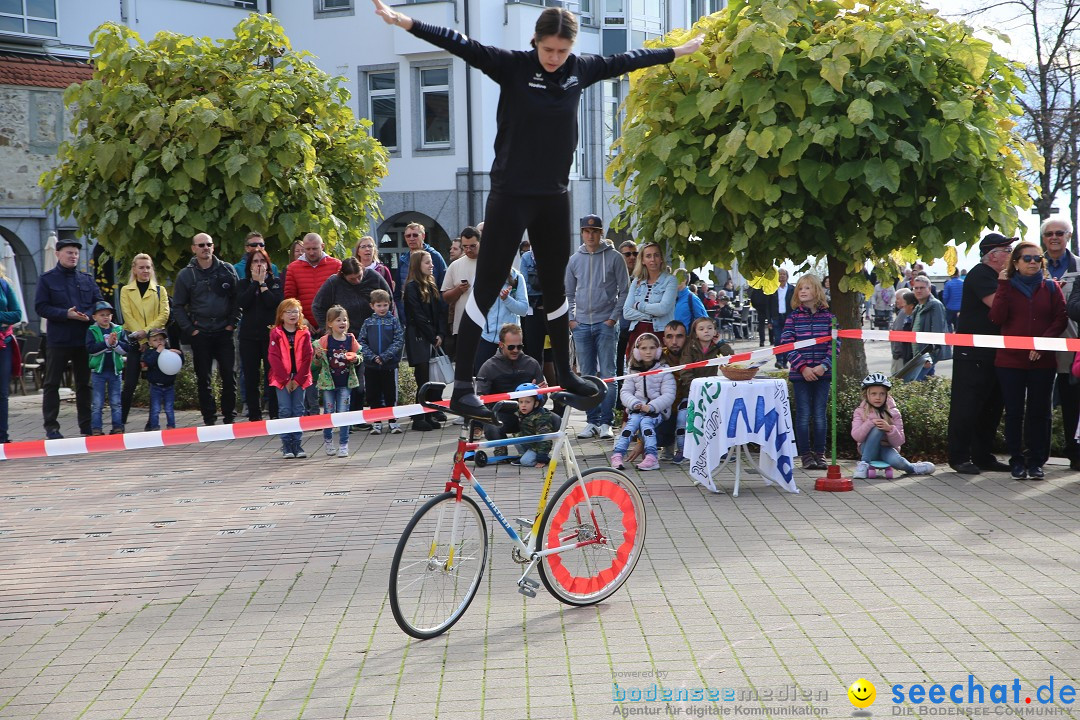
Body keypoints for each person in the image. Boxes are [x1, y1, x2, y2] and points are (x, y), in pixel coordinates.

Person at [372, 0, 703, 420]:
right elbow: (461, 43)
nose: (554, 59)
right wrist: (405, 21)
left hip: (553, 195)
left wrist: (679, 50)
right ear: (536, 42)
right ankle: (462, 389)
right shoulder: (512, 66)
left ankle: (565, 374)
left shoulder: (579, 70)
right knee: (487, 285)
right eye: (548, 50)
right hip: (510, 194)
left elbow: (627, 60)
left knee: (554, 285)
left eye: (562, 52)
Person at [990, 242, 1068, 480]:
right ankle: (1016, 461)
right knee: (1014, 412)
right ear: (1016, 263)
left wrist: (1042, 345)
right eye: (1027, 259)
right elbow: (996, 318)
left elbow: (1060, 319)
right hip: (1010, 361)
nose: (1033, 262)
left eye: (1037, 258)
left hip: (1042, 362)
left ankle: (1036, 461)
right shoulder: (1006, 287)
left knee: (1040, 411)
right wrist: (1003, 285)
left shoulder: (1052, 287)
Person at [947, 233, 1015, 475]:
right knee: (967, 405)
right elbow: (998, 305)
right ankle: (959, 456)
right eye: (1007, 250)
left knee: (992, 406)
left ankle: (983, 455)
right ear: (993, 255)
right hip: (973, 354)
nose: (1011, 254)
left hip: (996, 351)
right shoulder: (980, 274)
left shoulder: (1000, 276)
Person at [565, 214, 628, 440]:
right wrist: (572, 320)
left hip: (606, 324)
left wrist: (612, 318)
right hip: (581, 325)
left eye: (594, 231)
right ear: (581, 233)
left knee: (608, 375)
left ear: (601, 233)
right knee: (587, 376)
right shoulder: (574, 259)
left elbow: (625, 290)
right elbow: (568, 293)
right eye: (586, 231)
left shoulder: (615, 257)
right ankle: (591, 422)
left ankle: (606, 422)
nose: (590, 235)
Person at [36, 238, 104, 439]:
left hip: (84, 339)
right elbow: (41, 307)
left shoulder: (86, 279)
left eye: (75, 253)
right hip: (59, 340)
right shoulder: (47, 279)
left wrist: (88, 314)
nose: (73, 256)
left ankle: (86, 426)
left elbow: (98, 302)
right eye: (69, 253)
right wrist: (66, 314)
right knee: (52, 384)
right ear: (58, 254)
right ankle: (52, 427)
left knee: (85, 384)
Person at [172, 233, 240, 426]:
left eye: (209, 244)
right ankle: (209, 419)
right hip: (200, 332)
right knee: (204, 379)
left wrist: (231, 324)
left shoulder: (227, 269)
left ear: (213, 247)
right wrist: (190, 330)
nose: (205, 248)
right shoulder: (186, 275)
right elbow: (177, 306)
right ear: (193, 248)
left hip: (223, 331)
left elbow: (237, 299)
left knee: (229, 375)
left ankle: (230, 417)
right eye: (201, 245)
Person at [780, 274, 835, 470]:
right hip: (800, 375)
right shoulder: (792, 318)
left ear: (817, 291)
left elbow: (835, 345)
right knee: (803, 415)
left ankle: (820, 454)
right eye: (800, 289)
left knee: (820, 414)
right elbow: (787, 344)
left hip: (823, 375)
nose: (802, 291)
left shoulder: (830, 318)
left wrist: (823, 366)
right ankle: (805, 455)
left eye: (807, 288)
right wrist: (802, 367)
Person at [1043, 216, 1080, 470]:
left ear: (1069, 235)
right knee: (1039, 400)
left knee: (1072, 401)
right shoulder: (1031, 263)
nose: (1054, 237)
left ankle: (1074, 453)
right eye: (1049, 234)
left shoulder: (1079, 266)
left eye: (1059, 233)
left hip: (1071, 342)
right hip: (1040, 342)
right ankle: (1037, 455)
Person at [609, 332, 675, 472]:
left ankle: (652, 456)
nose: (648, 352)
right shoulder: (633, 371)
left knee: (646, 424)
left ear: (658, 350)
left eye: (652, 348)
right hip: (637, 409)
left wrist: (651, 406)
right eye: (644, 348)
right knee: (629, 427)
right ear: (637, 351)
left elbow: (669, 394)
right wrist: (634, 403)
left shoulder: (664, 370)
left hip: (656, 412)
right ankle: (617, 454)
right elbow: (625, 392)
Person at [851, 373, 936, 478]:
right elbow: (856, 436)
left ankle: (913, 468)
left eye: (882, 394)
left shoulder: (894, 412)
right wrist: (870, 423)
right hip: (867, 450)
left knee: (898, 462)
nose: (878, 397)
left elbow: (900, 441)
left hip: (887, 448)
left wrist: (890, 429)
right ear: (866, 395)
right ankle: (864, 464)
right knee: (878, 427)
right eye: (874, 394)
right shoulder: (860, 411)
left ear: (887, 395)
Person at [476, 324, 546, 453]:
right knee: (491, 425)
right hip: (502, 415)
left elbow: (544, 395)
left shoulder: (531, 364)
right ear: (501, 345)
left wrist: (539, 394)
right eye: (511, 347)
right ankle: (501, 447)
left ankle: (540, 449)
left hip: (530, 413)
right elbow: (481, 399)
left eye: (519, 346)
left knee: (555, 420)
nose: (515, 350)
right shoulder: (489, 367)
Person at [118, 254, 169, 428]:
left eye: (148, 267)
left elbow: (164, 315)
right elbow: (127, 316)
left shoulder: (160, 290)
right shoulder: (125, 290)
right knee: (130, 384)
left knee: (155, 385)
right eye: (141, 267)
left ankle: (152, 422)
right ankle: (120, 422)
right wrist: (141, 340)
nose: (145, 271)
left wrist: (147, 333)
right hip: (134, 342)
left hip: (156, 343)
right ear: (134, 269)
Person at [673, 317, 733, 464]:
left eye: (709, 328)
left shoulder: (716, 346)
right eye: (701, 329)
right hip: (692, 392)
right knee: (683, 419)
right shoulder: (690, 347)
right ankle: (682, 450)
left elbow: (731, 357)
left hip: (712, 392)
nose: (706, 331)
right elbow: (685, 371)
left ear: (715, 331)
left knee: (717, 419)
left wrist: (720, 343)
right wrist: (694, 389)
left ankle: (721, 450)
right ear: (695, 333)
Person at [236, 246, 284, 421]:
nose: (258, 264)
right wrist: (254, 282)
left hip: (270, 336)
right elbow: (243, 303)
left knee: (272, 375)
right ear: (249, 266)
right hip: (248, 337)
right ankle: (254, 417)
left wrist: (263, 284)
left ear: (268, 264)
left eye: (262, 261)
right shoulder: (242, 283)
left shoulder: (275, 282)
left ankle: (274, 414)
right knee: (250, 376)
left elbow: (274, 303)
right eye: (255, 261)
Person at [403, 250, 449, 430]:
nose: (432, 265)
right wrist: (432, 335)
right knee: (422, 379)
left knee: (431, 379)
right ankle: (419, 417)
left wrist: (440, 333)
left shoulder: (431, 284)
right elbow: (417, 315)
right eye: (427, 262)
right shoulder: (411, 287)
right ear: (417, 265)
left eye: (431, 262)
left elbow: (440, 312)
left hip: (432, 336)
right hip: (418, 337)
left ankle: (429, 413)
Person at [312, 305, 362, 457]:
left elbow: (360, 356)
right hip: (328, 384)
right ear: (329, 323)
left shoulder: (350, 339)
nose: (342, 323)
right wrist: (318, 357)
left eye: (345, 320)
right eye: (338, 320)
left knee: (343, 414)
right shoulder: (324, 341)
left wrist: (355, 358)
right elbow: (315, 364)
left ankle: (344, 444)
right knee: (328, 413)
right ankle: (328, 441)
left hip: (345, 384)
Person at [268, 298, 313, 459]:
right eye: (288, 311)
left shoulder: (305, 332)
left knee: (298, 410)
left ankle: (297, 444)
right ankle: (286, 444)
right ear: (281, 315)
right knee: (285, 410)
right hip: (281, 379)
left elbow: (308, 356)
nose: (292, 314)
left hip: (300, 378)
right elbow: (273, 357)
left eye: (295, 311)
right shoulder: (276, 333)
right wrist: (285, 380)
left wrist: (298, 379)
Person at [312, 257, 392, 337]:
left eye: (359, 276)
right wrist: (327, 330)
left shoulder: (374, 276)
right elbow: (317, 307)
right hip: (346, 336)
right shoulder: (334, 283)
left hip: (375, 333)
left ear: (362, 268)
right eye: (352, 279)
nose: (357, 281)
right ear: (343, 275)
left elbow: (389, 300)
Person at [360, 289, 404, 435]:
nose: (382, 308)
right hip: (371, 365)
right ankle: (376, 422)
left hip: (389, 365)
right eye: (379, 305)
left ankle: (393, 422)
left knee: (390, 394)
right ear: (372, 306)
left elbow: (398, 341)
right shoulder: (368, 322)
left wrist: (385, 356)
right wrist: (372, 357)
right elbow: (361, 342)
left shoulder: (393, 321)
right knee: (373, 394)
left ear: (389, 305)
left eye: (385, 305)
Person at [623, 241, 678, 358]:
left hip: (660, 332)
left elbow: (663, 309)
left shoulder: (670, 280)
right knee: (636, 372)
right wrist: (650, 316)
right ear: (642, 260)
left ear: (661, 259)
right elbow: (626, 312)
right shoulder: (636, 281)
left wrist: (639, 306)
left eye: (656, 255)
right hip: (638, 332)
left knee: (661, 371)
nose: (653, 259)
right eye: (648, 256)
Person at [284, 232, 342, 336]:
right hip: (303, 326)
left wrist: (328, 322)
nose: (311, 252)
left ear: (322, 246)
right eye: (307, 249)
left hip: (331, 326)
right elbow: (290, 299)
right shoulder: (293, 268)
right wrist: (302, 319)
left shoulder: (336, 265)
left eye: (315, 248)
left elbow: (341, 297)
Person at [85, 301, 129, 435]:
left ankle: (117, 427)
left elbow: (126, 349)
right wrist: (106, 343)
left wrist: (115, 343)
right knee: (97, 402)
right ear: (94, 317)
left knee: (116, 401)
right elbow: (91, 349)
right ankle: (96, 428)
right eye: (102, 315)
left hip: (115, 371)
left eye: (108, 315)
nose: (106, 317)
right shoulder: (92, 330)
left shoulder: (119, 330)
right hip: (98, 371)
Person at [477, 266, 529, 375]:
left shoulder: (518, 278)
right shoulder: (482, 276)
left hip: (510, 342)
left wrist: (506, 299)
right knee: (482, 378)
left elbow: (523, 310)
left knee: (510, 380)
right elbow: (475, 305)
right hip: (486, 338)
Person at [441, 226, 480, 361]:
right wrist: (458, 290)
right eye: (465, 247)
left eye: (472, 246)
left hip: (488, 327)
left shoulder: (489, 262)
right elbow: (445, 297)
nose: (468, 250)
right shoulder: (455, 265)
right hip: (462, 325)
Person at [396, 222, 447, 323]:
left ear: (423, 236)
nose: (411, 238)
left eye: (415, 235)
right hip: (408, 320)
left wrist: (439, 317)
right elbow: (398, 292)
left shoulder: (435, 257)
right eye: (408, 236)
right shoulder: (403, 260)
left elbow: (444, 287)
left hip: (431, 317)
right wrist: (402, 315)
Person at [904, 274, 948, 381]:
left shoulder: (935, 305)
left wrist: (930, 358)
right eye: (916, 288)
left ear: (929, 289)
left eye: (922, 288)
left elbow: (937, 333)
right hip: (918, 356)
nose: (918, 291)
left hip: (926, 357)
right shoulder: (918, 307)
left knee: (919, 386)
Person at [656, 320, 687, 460]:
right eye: (670, 336)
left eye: (679, 336)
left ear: (686, 338)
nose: (674, 341)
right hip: (666, 408)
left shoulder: (694, 355)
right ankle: (666, 445)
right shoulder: (657, 357)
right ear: (664, 340)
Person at [509, 382, 559, 467]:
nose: (523, 405)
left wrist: (541, 458)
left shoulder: (542, 417)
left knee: (526, 462)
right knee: (515, 437)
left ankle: (546, 458)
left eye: (527, 402)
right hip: (529, 441)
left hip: (538, 445)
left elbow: (545, 439)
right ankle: (523, 455)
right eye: (521, 402)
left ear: (536, 403)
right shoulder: (521, 413)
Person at [142, 328, 182, 431]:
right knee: (155, 409)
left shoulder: (169, 351)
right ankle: (155, 427)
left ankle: (171, 426)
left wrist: (179, 353)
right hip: (155, 386)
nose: (159, 341)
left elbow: (179, 362)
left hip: (169, 385)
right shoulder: (149, 352)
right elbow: (149, 362)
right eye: (155, 340)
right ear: (150, 343)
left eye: (161, 339)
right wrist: (157, 352)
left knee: (169, 408)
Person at [0, 262, 21, 443]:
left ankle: (2, 436)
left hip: (3, 344)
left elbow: (17, 314)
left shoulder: (4, 283)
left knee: (2, 393)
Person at [615, 240, 639, 374]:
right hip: (619, 325)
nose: (632, 257)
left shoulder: (643, 276)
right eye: (628, 254)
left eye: (635, 253)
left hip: (637, 325)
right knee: (617, 362)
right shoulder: (614, 275)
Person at [672, 267, 708, 338]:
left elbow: (704, 321)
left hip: (687, 342)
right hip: (672, 341)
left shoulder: (692, 298)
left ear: (683, 280)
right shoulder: (673, 298)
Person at [768, 269, 794, 368]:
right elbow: (768, 305)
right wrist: (769, 320)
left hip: (788, 318)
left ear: (787, 276)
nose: (782, 276)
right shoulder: (772, 289)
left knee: (787, 339)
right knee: (778, 339)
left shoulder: (792, 289)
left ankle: (785, 361)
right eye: (780, 274)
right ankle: (779, 360)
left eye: (784, 274)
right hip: (776, 317)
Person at [890, 289, 916, 376]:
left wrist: (896, 353)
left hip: (901, 355)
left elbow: (898, 333)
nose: (896, 301)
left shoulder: (903, 313)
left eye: (898, 298)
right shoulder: (905, 312)